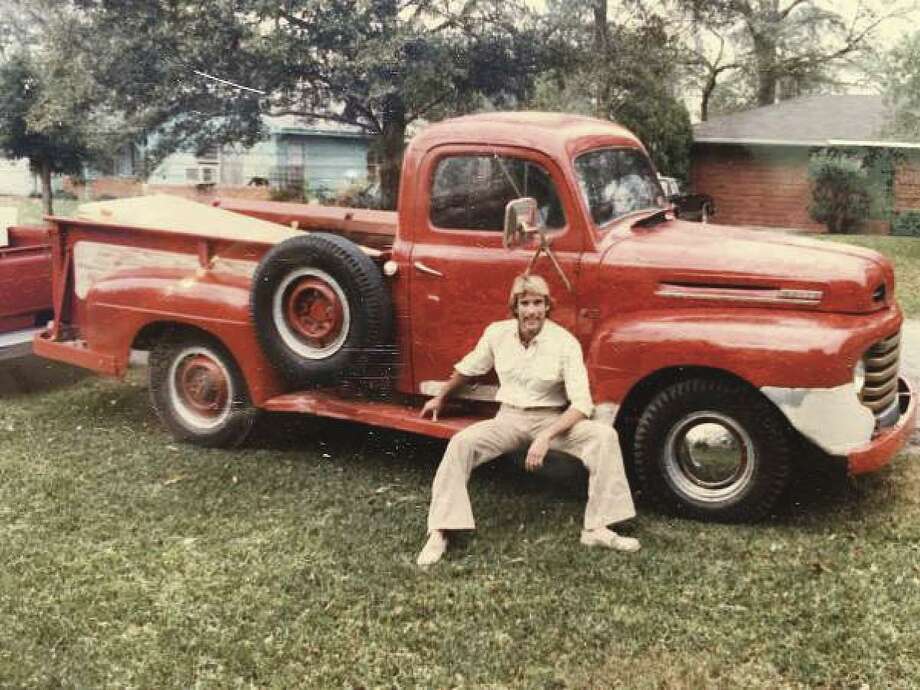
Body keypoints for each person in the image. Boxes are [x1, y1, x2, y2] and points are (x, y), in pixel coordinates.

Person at [416, 274, 639, 566]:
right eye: (525, 303)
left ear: (548, 307)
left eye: (538, 303)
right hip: (508, 419)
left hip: (551, 421)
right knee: (461, 443)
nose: (532, 310)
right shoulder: (497, 333)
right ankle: (441, 531)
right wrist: (441, 396)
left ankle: (597, 528)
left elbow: (582, 405)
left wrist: (546, 436)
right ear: (515, 308)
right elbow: (470, 368)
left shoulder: (564, 342)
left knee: (603, 436)